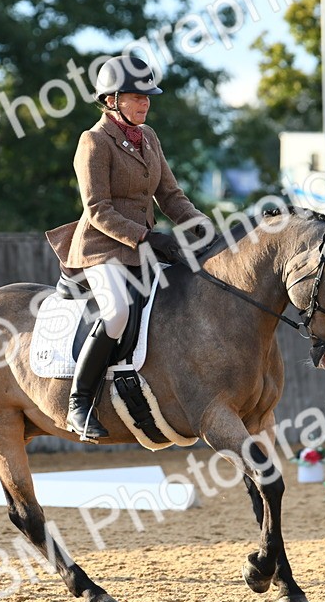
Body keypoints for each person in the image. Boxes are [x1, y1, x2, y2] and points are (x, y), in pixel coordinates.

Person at [45, 55, 209, 440]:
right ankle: (79, 403)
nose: (145, 103)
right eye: (136, 97)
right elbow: (98, 210)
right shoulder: (94, 142)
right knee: (117, 312)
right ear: (111, 100)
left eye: (147, 97)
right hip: (101, 249)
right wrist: (148, 237)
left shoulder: (148, 137)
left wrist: (204, 228)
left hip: (141, 248)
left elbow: (170, 195)